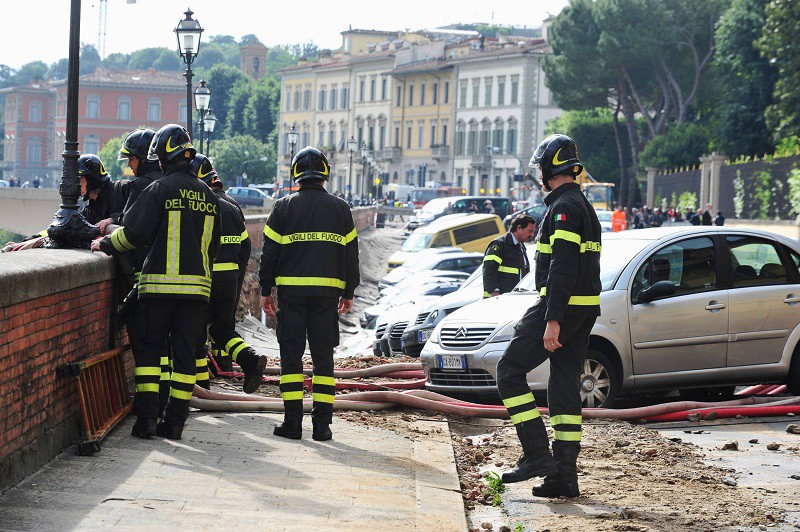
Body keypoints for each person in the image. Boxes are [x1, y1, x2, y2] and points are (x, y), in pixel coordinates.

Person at [93, 124, 220, 441]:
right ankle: (175, 423)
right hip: (197, 292)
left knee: (150, 355)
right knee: (185, 358)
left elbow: (134, 234)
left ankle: (147, 419)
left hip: (159, 289)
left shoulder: (159, 189)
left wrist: (104, 244)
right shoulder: (208, 195)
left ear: (161, 157)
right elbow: (214, 247)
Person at [496, 134, 601, 499]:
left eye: (540, 166)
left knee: (509, 371)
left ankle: (537, 455)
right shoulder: (581, 204)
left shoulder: (564, 209)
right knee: (563, 390)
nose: (537, 172)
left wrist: (552, 319)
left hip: (561, 308)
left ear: (548, 168)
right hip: (583, 310)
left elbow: (563, 267)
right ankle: (564, 477)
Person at [259, 147, 359, 442]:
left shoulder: (283, 207)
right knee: (323, 359)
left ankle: (292, 424)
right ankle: (322, 426)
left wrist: (266, 289)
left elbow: (269, 253)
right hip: (326, 296)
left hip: (291, 296)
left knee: (291, 358)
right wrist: (348, 290)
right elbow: (351, 255)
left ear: (296, 175)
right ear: (325, 174)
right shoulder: (341, 209)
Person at [190, 153, 266, 392]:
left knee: (196, 333)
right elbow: (245, 249)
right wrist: (236, 279)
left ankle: (201, 385)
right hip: (229, 279)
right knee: (223, 330)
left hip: (205, 279)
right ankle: (249, 359)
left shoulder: (200, 208)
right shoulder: (232, 207)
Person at [483, 214, 535, 298]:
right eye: (530, 231)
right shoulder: (499, 245)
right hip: (500, 300)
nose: (532, 235)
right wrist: (495, 294)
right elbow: (489, 270)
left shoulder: (521, 247)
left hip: (516, 298)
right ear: (519, 228)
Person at [77, 154, 128, 231]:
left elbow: (138, 214)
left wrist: (113, 219)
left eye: (81, 183)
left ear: (92, 180)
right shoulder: (90, 211)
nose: (78, 188)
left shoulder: (123, 189)